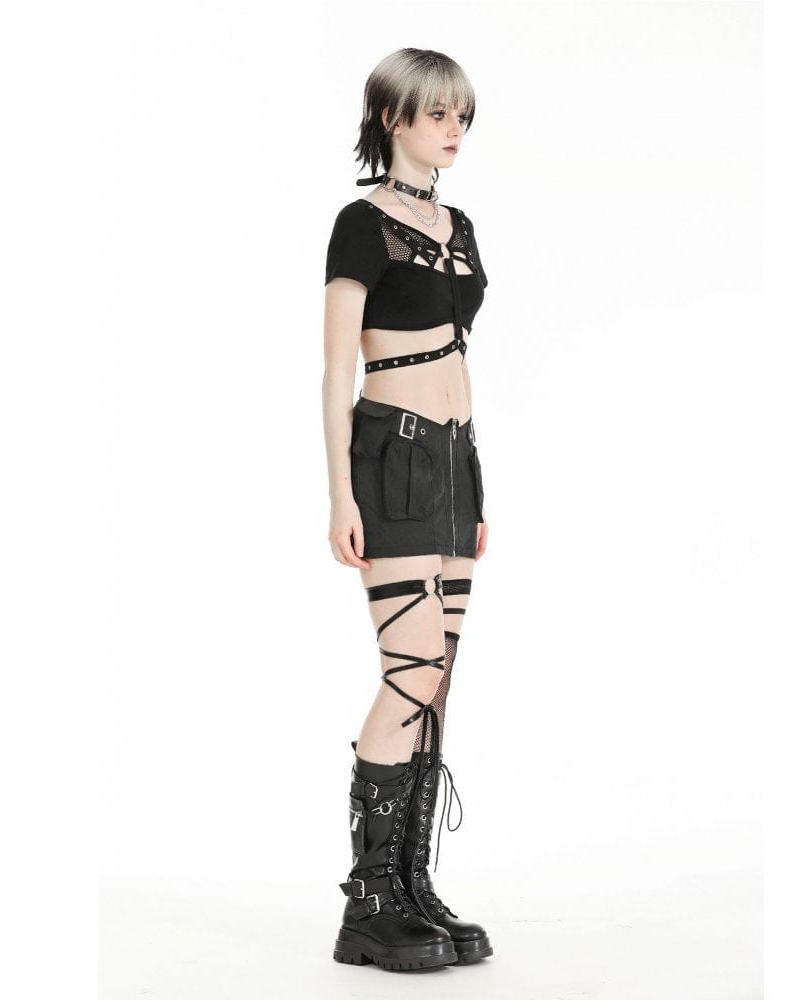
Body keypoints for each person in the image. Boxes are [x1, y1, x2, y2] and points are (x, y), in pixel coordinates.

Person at [322, 48, 493, 971]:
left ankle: (412, 884)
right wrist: (339, 493)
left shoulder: (458, 226)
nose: (453, 129)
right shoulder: (361, 225)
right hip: (391, 455)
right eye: (436, 114)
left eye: (462, 114)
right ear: (393, 118)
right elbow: (334, 371)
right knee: (411, 669)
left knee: (441, 676)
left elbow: (458, 352)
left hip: (455, 462)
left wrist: (476, 480)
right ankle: (369, 905)